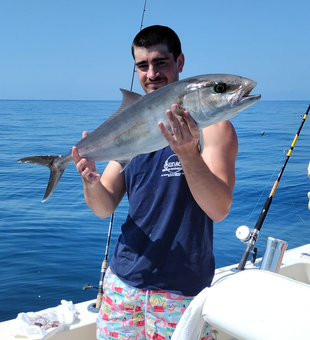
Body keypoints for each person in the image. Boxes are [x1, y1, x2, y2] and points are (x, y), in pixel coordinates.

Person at [72, 25, 238, 340]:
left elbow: (219, 209)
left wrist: (187, 152)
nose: (151, 73)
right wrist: (90, 181)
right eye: (142, 65)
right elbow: (103, 206)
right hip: (123, 283)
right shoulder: (128, 129)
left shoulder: (215, 129)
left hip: (181, 289)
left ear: (180, 62)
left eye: (160, 62)